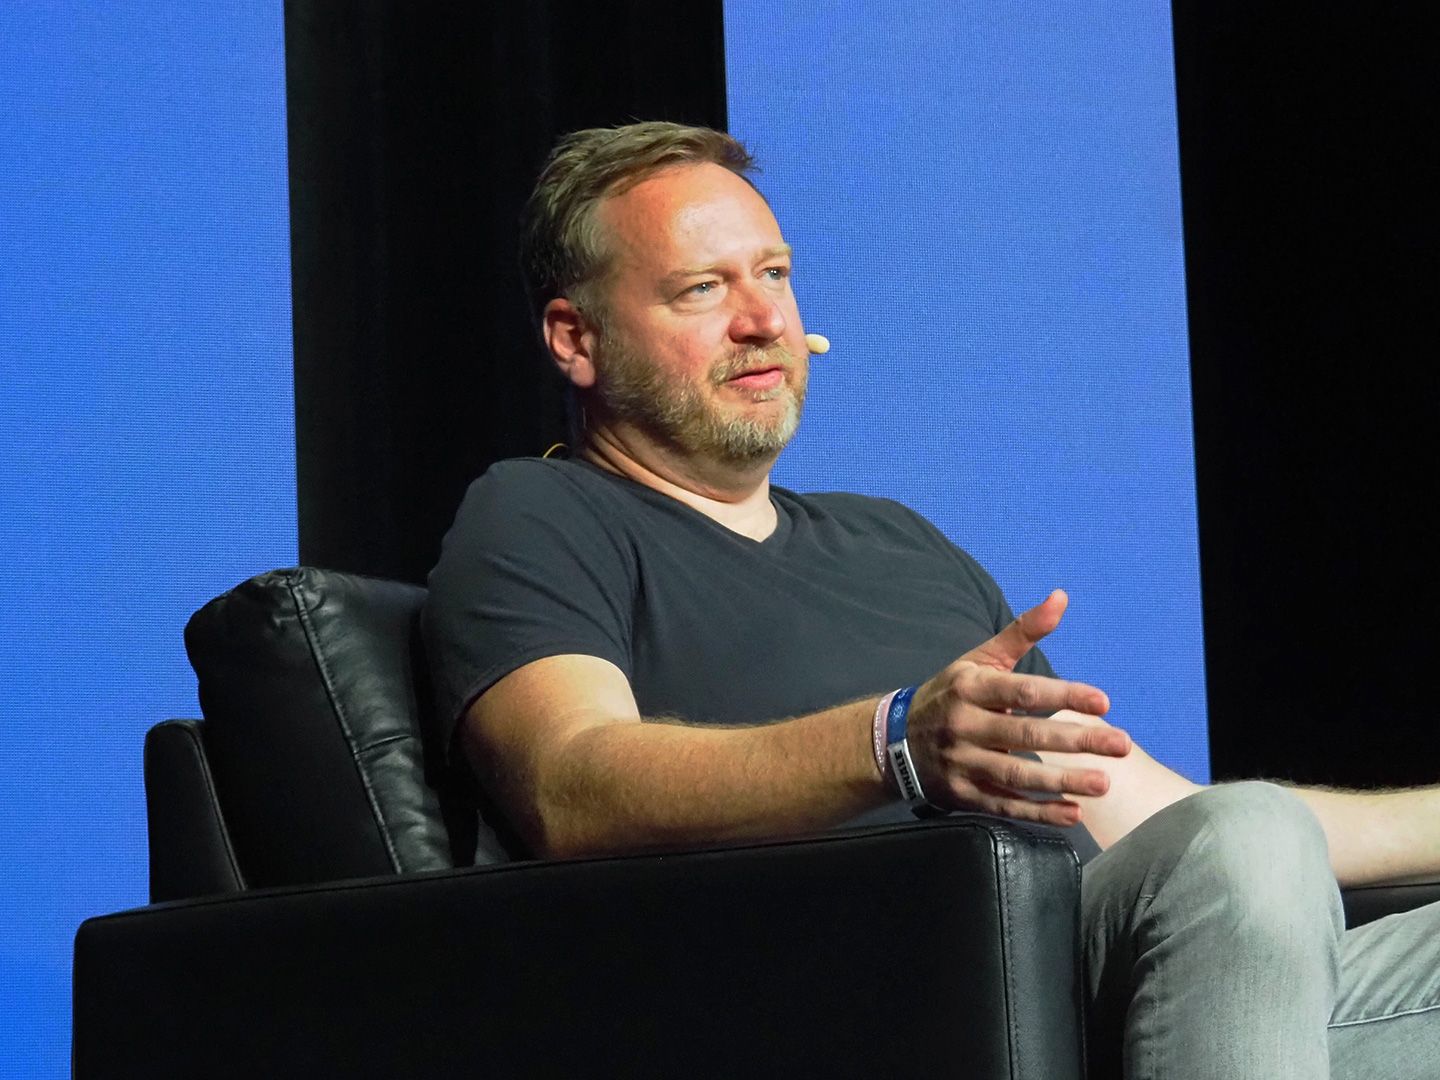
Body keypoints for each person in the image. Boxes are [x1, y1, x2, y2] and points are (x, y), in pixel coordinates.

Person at [423, 121, 1440, 1077]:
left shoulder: (896, 541)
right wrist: (894, 742)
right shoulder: (538, 515)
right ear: (576, 339)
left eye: (774, 274)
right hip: (877, 1005)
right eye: (702, 289)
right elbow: (569, 787)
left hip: (1123, 992)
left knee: (1252, 838)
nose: (763, 319)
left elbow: (1181, 827)